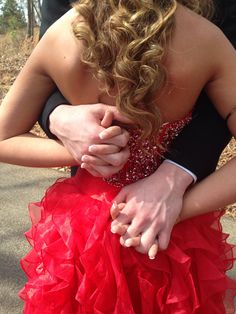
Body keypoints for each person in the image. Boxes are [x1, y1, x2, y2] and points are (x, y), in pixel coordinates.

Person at [0, 1, 235, 312]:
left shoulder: (62, 34)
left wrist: (79, 151)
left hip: (82, 237)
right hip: (170, 235)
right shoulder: (205, 38)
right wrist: (180, 209)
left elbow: (4, 136)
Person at [37, 0, 233, 251]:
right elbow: (47, 88)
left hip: (130, 208)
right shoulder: (205, 37)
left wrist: (176, 183)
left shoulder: (63, 30)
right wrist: (58, 115)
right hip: (162, 224)